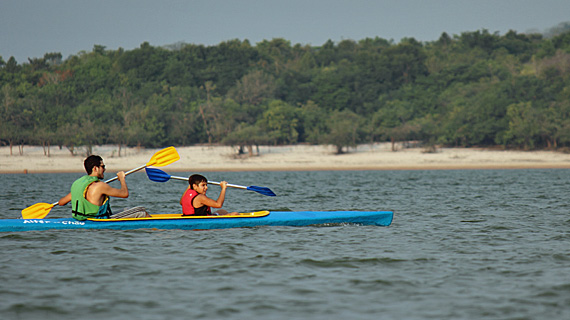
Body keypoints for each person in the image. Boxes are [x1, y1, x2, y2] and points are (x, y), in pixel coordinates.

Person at [58, 155, 150, 220]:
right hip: (100, 219)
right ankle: (156, 228)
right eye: (102, 166)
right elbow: (125, 194)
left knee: (127, 209)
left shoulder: (78, 184)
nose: (104, 169)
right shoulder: (100, 186)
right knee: (141, 211)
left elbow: (61, 202)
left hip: (84, 218)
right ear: (95, 168)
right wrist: (122, 179)